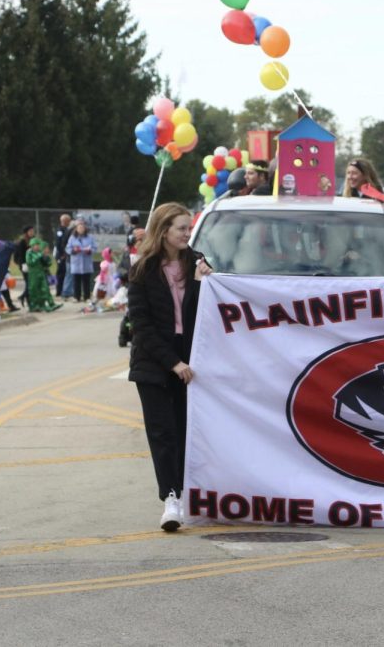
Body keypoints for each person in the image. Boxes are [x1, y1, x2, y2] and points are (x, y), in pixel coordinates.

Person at [128, 203, 212, 531]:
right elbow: (141, 326)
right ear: (164, 230)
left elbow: (206, 314)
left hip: (190, 356)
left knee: (184, 431)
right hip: (153, 361)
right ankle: (172, 498)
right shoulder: (142, 269)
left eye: (189, 228)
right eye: (181, 228)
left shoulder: (198, 262)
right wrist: (173, 362)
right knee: (162, 432)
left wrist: (200, 282)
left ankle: (189, 491)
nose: (187, 234)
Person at [25, 237, 62, 312]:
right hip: (33, 274)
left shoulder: (40, 252)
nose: (37, 247)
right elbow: (30, 262)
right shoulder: (29, 252)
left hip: (41, 273)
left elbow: (47, 263)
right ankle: (35, 305)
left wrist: (47, 260)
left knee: (45, 288)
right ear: (32, 245)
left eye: (38, 245)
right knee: (34, 289)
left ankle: (49, 304)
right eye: (35, 245)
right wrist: (38, 257)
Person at [67, 220, 96, 303]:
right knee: (76, 281)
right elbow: (68, 248)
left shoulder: (90, 237)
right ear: (76, 229)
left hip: (86, 261)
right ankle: (76, 297)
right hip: (76, 262)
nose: (81, 229)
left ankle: (87, 297)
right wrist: (74, 250)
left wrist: (89, 251)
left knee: (86, 281)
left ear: (85, 229)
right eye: (79, 228)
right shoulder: (72, 238)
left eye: (82, 228)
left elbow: (94, 247)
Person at [14, 225, 34, 308]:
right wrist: (23, 264)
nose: (32, 232)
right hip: (24, 265)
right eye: (30, 231)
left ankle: (22, 297)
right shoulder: (22, 242)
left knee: (30, 283)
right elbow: (20, 255)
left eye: (33, 231)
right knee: (29, 283)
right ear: (26, 232)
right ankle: (27, 300)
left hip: (32, 264)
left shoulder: (32, 240)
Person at [54, 214, 73, 298]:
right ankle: (59, 290)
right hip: (61, 254)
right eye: (67, 221)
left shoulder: (68, 229)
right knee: (61, 273)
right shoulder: (60, 230)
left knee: (66, 272)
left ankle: (65, 290)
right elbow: (59, 243)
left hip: (67, 254)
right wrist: (62, 254)